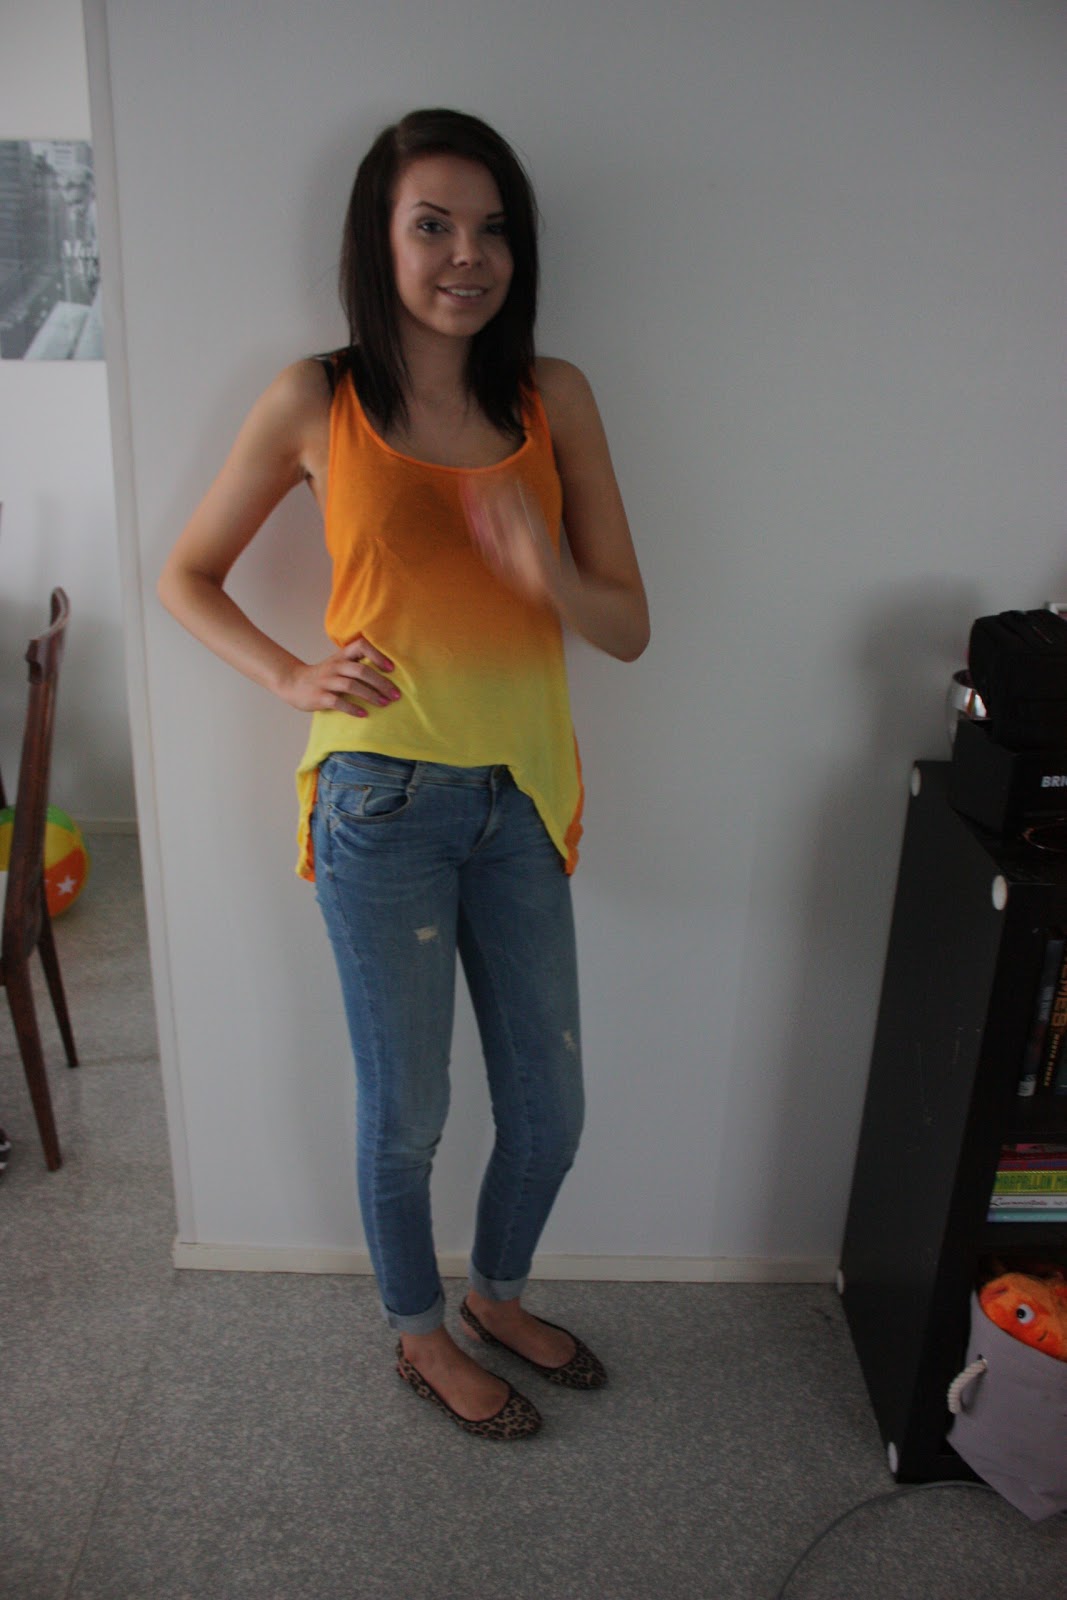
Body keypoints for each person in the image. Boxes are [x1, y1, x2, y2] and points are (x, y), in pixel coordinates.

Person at [158, 108, 649, 1440]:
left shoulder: (553, 398)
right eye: (432, 225)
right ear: (379, 240)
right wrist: (288, 676)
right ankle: (420, 1333)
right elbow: (186, 574)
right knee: (410, 1112)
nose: (465, 255)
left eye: (492, 229)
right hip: (379, 803)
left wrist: (544, 571)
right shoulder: (315, 398)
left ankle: (496, 1294)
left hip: (522, 800)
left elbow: (627, 627)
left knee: (550, 1111)